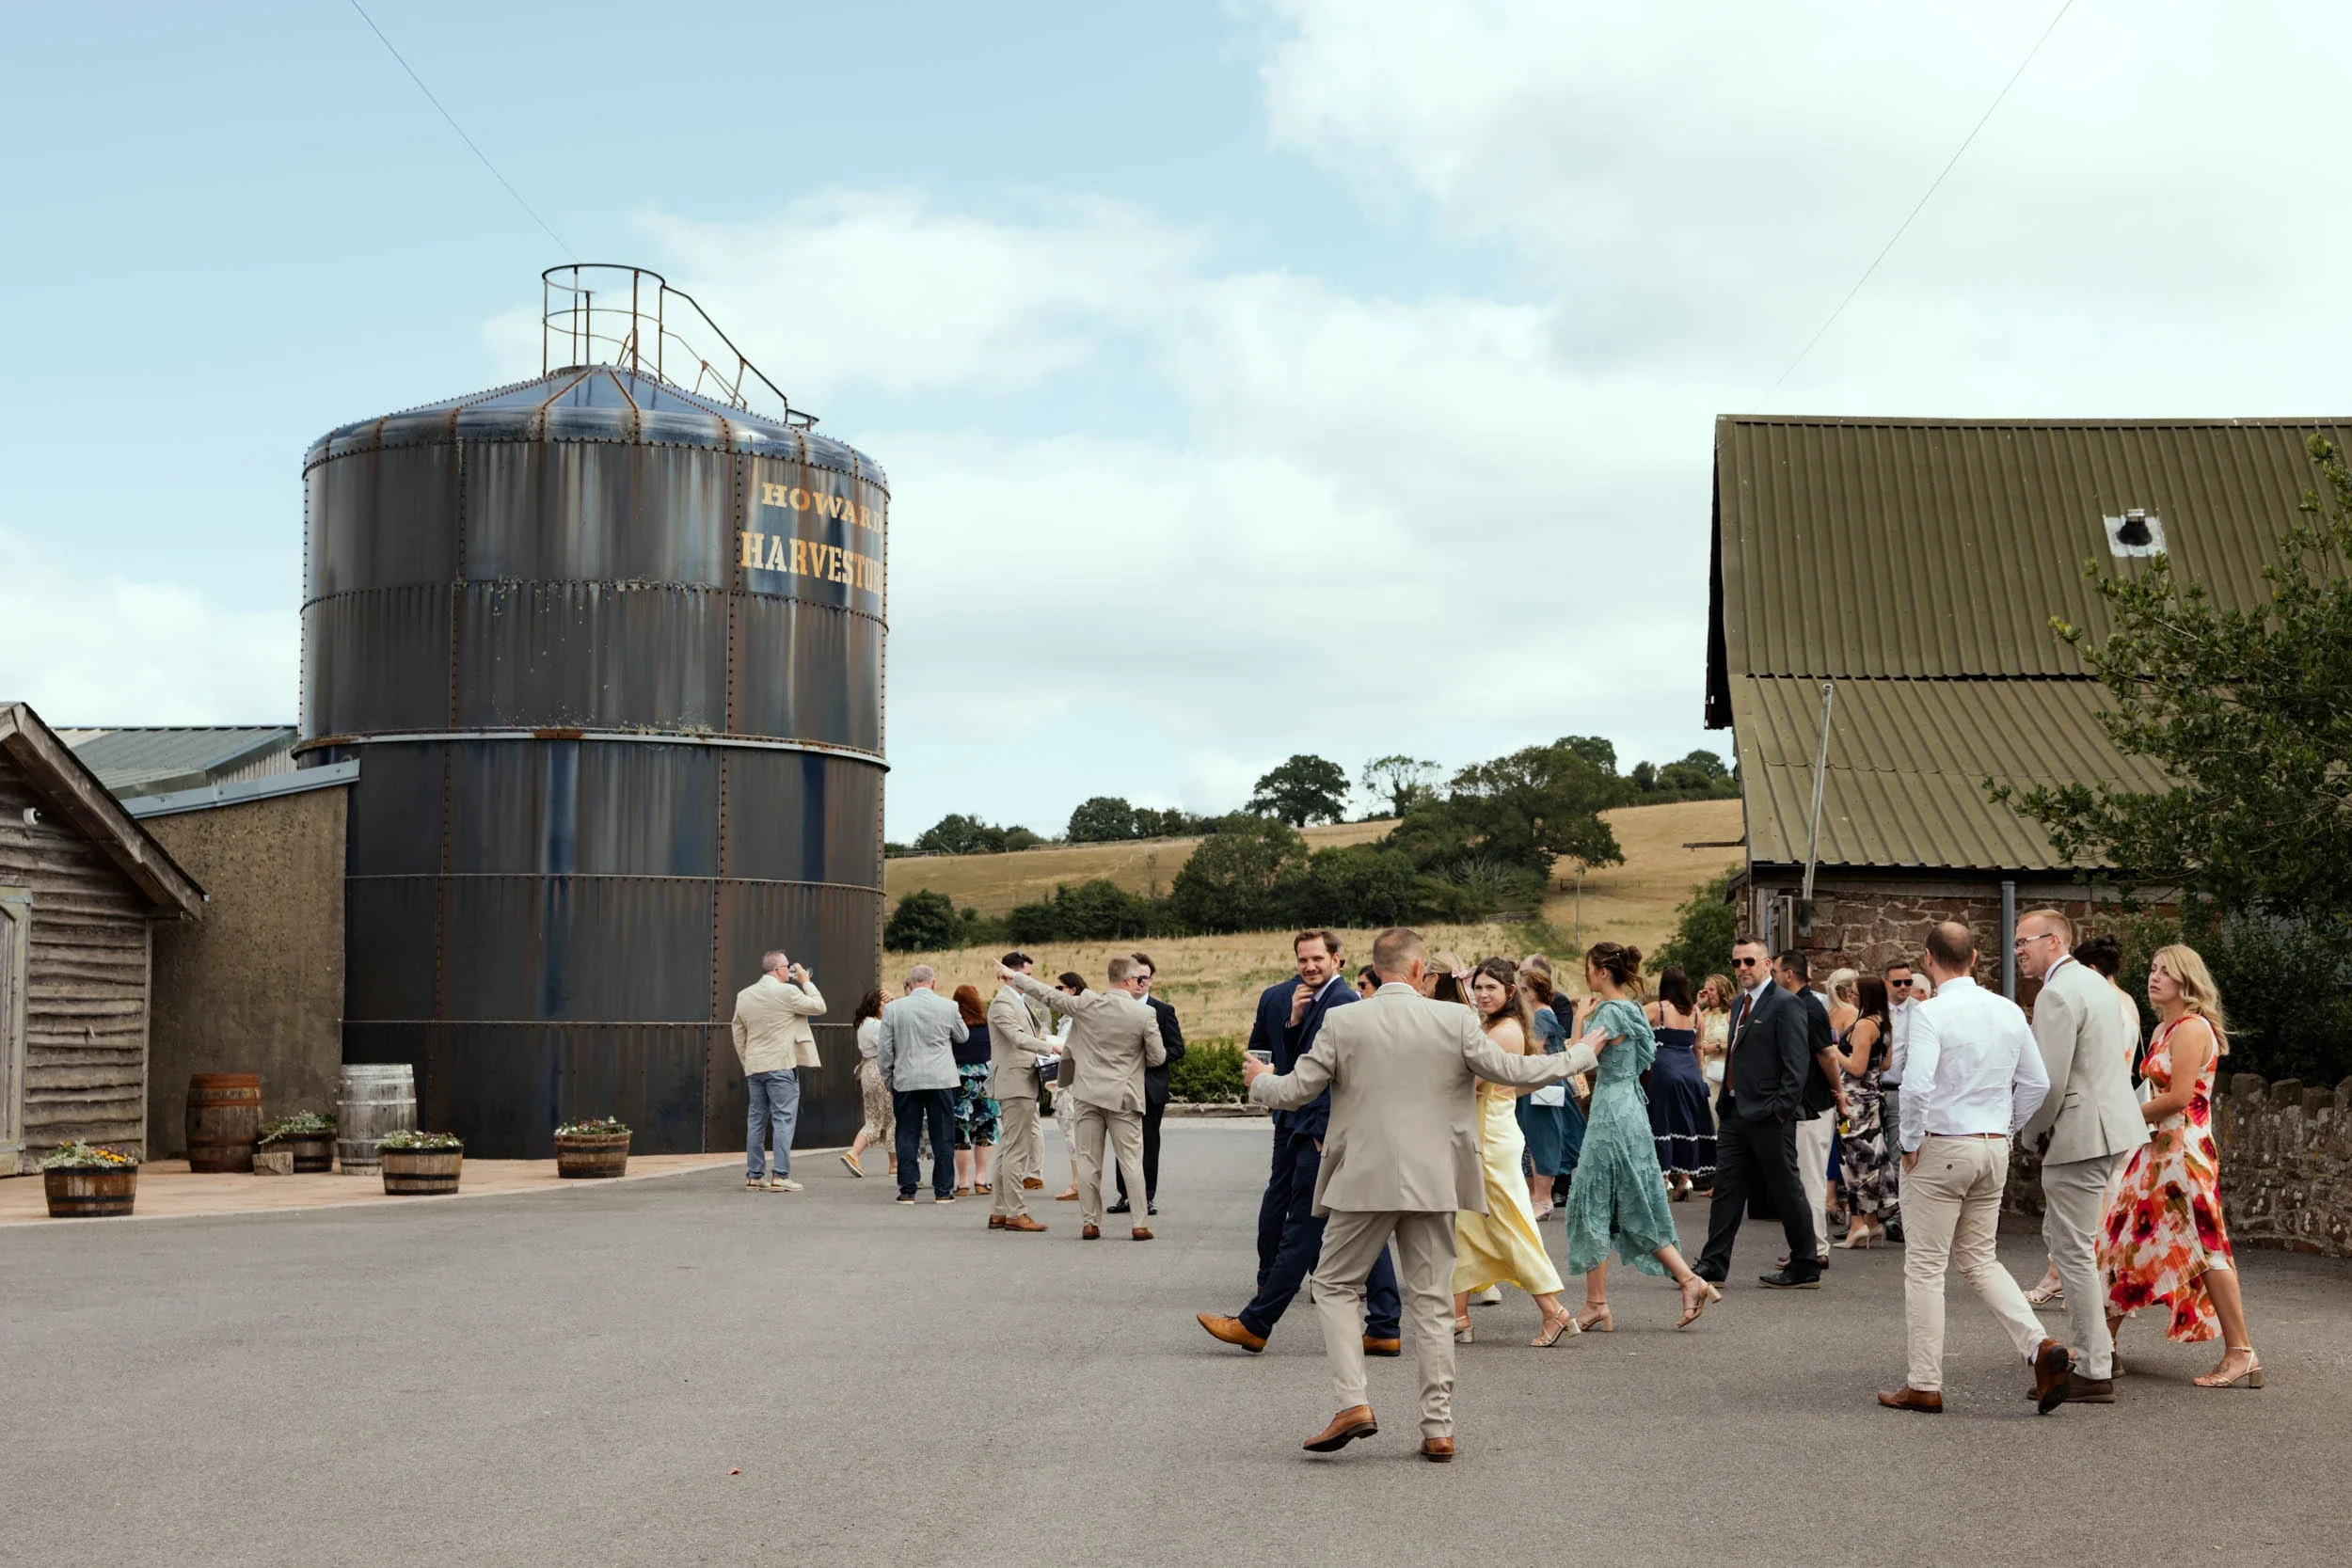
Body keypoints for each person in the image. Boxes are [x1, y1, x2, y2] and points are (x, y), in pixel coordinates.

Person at [1240, 927, 1592, 1462]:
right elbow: (1513, 1072)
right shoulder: (1454, 1019)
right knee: (1431, 1301)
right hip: (1434, 1180)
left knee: (1333, 1285)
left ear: (1377, 970)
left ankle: (1353, 1402)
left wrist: (1261, 1078)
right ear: (1417, 969)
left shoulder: (1343, 1019)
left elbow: (1294, 1091)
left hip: (1363, 1179)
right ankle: (1437, 1428)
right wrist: (1579, 1055)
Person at [1877, 922, 2069, 1416]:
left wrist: (1910, 1141)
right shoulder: (2008, 1011)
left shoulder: (1931, 1013)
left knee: (1925, 1267)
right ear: (1977, 958)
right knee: (1981, 1259)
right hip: (1991, 1147)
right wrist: (2005, 1128)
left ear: (1927, 959)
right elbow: (2037, 1083)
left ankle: (1924, 1382)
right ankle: (2039, 1346)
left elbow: (1916, 1087)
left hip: (1942, 1146)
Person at [1199, 930, 1402, 1358]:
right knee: (1364, 1227)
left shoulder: (1343, 1001)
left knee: (1301, 1231)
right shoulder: (1312, 999)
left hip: (1321, 1131)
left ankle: (1255, 1324)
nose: (1309, 966)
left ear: (1338, 959)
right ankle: (1384, 1324)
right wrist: (1292, 1025)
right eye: (1303, 959)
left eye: (1316, 958)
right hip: (1314, 1126)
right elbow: (1304, 1062)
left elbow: (1333, 1077)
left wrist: (1318, 1130)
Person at [2102, 943, 2263, 1389]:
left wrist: (2119, 1117)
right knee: (2126, 1241)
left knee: (2207, 1246)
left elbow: (2179, 1098)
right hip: (2154, 1149)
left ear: (2186, 982)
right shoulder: (2161, 1031)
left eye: (2165, 972)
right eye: (2152, 969)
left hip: (2185, 1152)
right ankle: (2103, 1346)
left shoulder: (2192, 1029)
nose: (2154, 978)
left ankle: (2241, 1352)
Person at [2009, 909, 2148, 1402]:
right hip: (2113, 1127)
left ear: (2055, 940)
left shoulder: (2058, 992)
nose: (2018, 949)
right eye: (2016, 941)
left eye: (2025, 941)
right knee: (2079, 1247)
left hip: (2080, 1133)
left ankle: (2092, 1367)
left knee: (2072, 1251)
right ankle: (2094, 1358)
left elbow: (2049, 1081)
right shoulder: (2097, 986)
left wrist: (2027, 1134)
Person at [1565, 943, 1723, 1331]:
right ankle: (1688, 1281)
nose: (1586, 975)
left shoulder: (1609, 1012)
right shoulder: (1635, 1009)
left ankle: (1597, 1302)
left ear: (1602, 972)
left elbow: (1579, 1058)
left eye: (1589, 968)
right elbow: (1645, 1058)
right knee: (1629, 1202)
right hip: (1632, 1107)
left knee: (1592, 1199)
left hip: (1612, 1113)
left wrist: (1579, 1019)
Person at [1451, 958, 1580, 1346]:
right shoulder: (1489, 1025)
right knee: (1465, 1225)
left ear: (1510, 992)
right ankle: (1458, 1316)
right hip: (1481, 1130)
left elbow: (1473, 1085)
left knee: (1509, 1227)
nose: (1483, 994)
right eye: (1479, 986)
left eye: (1491, 987)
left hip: (1490, 1134)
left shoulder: (1505, 1031)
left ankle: (1554, 1311)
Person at [997, 955, 1166, 1240]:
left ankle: (1090, 1222)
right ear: (1128, 980)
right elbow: (1158, 1056)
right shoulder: (1143, 1014)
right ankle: (1139, 1223)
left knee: (1088, 1162)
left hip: (1087, 1094)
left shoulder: (1088, 1004)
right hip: (1124, 1095)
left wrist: (1015, 977)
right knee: (1131, 1162)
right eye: (1137, 978)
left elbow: (1048, 995)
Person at [1694, 938, 1822, 1289]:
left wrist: (1779, 1111)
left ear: (1767, 964)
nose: (1742, 969)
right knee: (1726, 1190)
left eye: (1749, 961)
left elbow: (1797, 1065)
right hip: (1736, 1112)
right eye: (1736, 963)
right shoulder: (1739, 1004)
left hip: (1769, 1115)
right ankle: (1713, 1263)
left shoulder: (1786, 1004)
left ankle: (1806, 1264)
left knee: (1785, 1190)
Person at [730, 950, 826, 1192]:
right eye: (788, 966)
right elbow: (819, 1006)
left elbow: (738, 1032)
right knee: (783, 1119)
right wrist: (806, 982)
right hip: (781, 1065)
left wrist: (748, 1061)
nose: (791, 971)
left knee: (756, 1120)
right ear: (777, 970)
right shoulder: (787, 992)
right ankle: (781, 1175)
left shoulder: (744, 995)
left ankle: (754, 1175)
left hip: (755, 1066)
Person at [1777, 950, 1848, 1266]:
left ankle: (1816, 1249)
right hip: (1807, 1104)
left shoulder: (1809, 1008)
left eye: (1777, 971)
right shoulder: (1800, 1005)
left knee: (1810, 1178)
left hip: (1813, 1104)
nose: (1775, 976)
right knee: (1805, 1177)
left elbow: (1827, 1055)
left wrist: (1838, 1091)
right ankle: (1807, 1247)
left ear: (1789, 974)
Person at [877, 964, 967, 1205]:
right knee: (943, 1135)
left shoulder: (894, 1009)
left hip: (906, 1079)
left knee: (907, 1134)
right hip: (941, 1079)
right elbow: (962, 1036)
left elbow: (884, 1050)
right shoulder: (949, 1006)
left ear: (910, 983)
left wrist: (889, 1078)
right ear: (933, 983)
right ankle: (943, 1190)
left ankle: (907, 1190)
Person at [986, 952, 1057, 1233]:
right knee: (1017, 1150)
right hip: (1015, 1083)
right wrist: (1052, 1047)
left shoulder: (1018, 1001)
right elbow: (1017, 1038)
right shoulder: (1003, 1003)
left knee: (1008, 1148)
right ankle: (1016, 1212)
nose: (1030, 980)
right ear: (1009, 974)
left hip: (1021, 1081)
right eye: (1026, 976)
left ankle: (1000, 1211)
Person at [1112, 951, 1186, 1216]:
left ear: (1151, 980)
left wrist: (1152, 1057)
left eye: (1145, 977)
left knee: (1149, 1143)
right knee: (1122, 1143)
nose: (1140, 982)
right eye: (1136, 977)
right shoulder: (1115, 1007)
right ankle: (1124, 1195)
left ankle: (1147, 1196)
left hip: (1150, 1086)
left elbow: (1178, 1048)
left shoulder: (1163, 1011)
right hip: (1119, 1086)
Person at [1832, 976, 1892, 1248]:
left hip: (1854, 1101)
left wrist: (1835, 1052)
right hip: (1873, 1098)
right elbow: (1886, 1064)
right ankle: (1871, 1221)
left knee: (1853, 1159)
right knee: (1872, 1159)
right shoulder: (1884, 1023)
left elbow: (1856, 1067)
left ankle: (1857, 1224)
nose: (1851, 997)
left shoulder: (1864, 1025)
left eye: (1854, 994)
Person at [1645, 965, 1715, 1200]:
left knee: (1662, 1122)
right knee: (1686, 1123)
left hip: (1663, 1069)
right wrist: (1699, 1076)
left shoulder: (1657, 1009)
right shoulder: (1697, 1013)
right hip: (1690, 1072)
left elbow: (1633, 1024)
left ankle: (1663, 1178)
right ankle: (1685, 1180)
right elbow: (1698, 1048)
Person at [1516, 965, 1573, 1218]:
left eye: (1524, 989)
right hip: (1541, 1082)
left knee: (1541, 1140)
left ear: (1534, 991)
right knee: (1534, 1140)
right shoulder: (1542, 1013)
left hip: (1542, 1084)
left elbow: (1535, 1048)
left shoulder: (1540, 1016)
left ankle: (1543, 1198)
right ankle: (1536, 1197)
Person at [948, 985, 999, 1197]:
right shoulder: (988, 1025)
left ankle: (962, 1183)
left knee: (961, 1131)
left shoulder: (953, 1028)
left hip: (959, 1080)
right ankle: (981, 1179)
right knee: (986, 1129)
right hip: (986, 1080)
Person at [841, 989, 893, 1179]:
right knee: (891, 1117)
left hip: (868, 1071)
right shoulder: (877, 1026)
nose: (888, 1007)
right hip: (881, 1071)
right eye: (884, 1003)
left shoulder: (864, 1024)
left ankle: (892, 1163)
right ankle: (855, 1153)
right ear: (876, 1005)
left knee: (877, 1116)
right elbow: (890, 1045)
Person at [1046, 972, 1086, 1200]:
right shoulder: (1069, 1018)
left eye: (1059, 988)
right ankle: (1078, 1181)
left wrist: (1049, 1043)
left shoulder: (1074, 1018)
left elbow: (1070, 1047)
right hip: (1067, 1079)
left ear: (1072, 990)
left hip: (1071, 1082)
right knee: (1072, 1131)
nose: (1055, 992)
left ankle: (1078, 1183)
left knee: (1073, 1131)